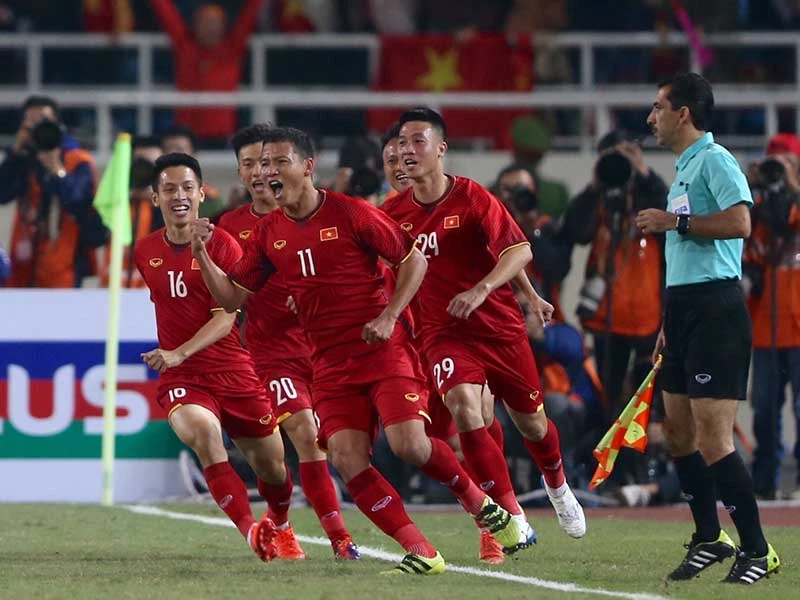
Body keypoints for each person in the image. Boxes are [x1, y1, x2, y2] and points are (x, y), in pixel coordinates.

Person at [190, 126, 527, 575]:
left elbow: (413, 259)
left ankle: (481, 505)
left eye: (279, 162)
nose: (269, 172)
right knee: (347, 459)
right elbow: (232, 298)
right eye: (263, 164)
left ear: (307, 167)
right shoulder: (268, 233)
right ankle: (423, 552)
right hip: (329, 363)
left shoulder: (350, 212)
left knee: (409, 444)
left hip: (382, 349)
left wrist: (389, 315)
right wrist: (202, 254)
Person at [381, 107, 586, 542]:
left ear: (441, 149)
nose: (408, 151)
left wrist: (491, 291)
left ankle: (558, 486)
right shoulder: (392, 213)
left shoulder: (472, 196)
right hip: (442, 332)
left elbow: (518, 250)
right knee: (463, 406)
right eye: (402, 143)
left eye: (418, 141)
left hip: (498, 327)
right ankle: (513, 516)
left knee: (532, 424)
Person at [637, 72, 780, 584]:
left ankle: (758, 550)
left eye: (658, 107)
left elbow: (741, 224)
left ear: (684, 113)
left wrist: (672, 222)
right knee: (678, 434)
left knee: (715, 440)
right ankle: (708, 537)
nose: (650, 118)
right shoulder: (684, 167)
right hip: (683, 309)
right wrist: (667, 320)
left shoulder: (716, 160)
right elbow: (688, 256)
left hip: (716, 309)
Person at [134, 152, 294, 563]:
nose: (179, 196)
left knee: (273, 469)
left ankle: (281, 524)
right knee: (205, 434)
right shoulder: (145, 250)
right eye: (169, 189)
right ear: (155, 197)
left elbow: (227, 317)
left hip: (232, 370)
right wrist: (178, 358)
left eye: (187, 188)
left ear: (201, 194)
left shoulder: (222, 244)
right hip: (184, 377)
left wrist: (178, 351)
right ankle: (251, 531)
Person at [218, 124, 359, 560]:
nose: (261, 172)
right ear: (241, 173)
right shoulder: (230, 227)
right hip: (272, 351)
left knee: (334, 447)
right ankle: (340, 539)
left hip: (326, 344)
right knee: (306, 435)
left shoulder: (317, 215)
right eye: (250, 164)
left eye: (269, 162)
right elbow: (225, 296)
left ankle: (279, 523)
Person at [381, 123, 508, 565]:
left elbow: (505, 251)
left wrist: (529, 297)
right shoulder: (382, 218)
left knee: (474, 418)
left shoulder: (461, 201)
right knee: (427, 444)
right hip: (406, 349)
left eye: (407, 154)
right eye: (392, 160)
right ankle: (492, 512)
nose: (401, 165)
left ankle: (495, 526)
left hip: (455, 336)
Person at [559, 130, 668, 421]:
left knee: (647, 400)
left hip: (648, 316)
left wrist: (643, 172)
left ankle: (641, 448)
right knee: (608, 397)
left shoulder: (648, 195)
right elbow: (574, 231)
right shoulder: (599, 197)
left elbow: (671, 218)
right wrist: (595, 185)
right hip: (606, 316)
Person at [743, 136, 800, 500]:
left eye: (785, 163)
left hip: (797, 326)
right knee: (764, 411)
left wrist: (792, 188)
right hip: (765, 328)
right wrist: (752, 189)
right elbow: (747, 255)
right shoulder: (758, 210)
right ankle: (765, 482)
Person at [0, 95, 99, 288]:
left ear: (57, 125)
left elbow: (78, 201)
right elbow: (3, 194)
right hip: (24, 264)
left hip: (64, 266)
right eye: (31, 121)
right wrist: (16, 152)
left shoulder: (78, 160)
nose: (38, 127)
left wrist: (56, 169)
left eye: (44, 121)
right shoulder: (23, 159)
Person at [150, 0, 264, 143]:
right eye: (206, 23)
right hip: (187, 137)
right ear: (195, 25)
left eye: (215, 23)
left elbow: (249, 14)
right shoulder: (185, 48)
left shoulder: (232, 49)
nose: (211, 28)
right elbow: (166, 13)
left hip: (222, 136)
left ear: (224, 26)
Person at [160, 125, 225, 218]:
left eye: (180, 149)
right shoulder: (150, 195)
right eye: (167, 149)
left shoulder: (209, 199)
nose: (173, 155)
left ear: (193, 153)